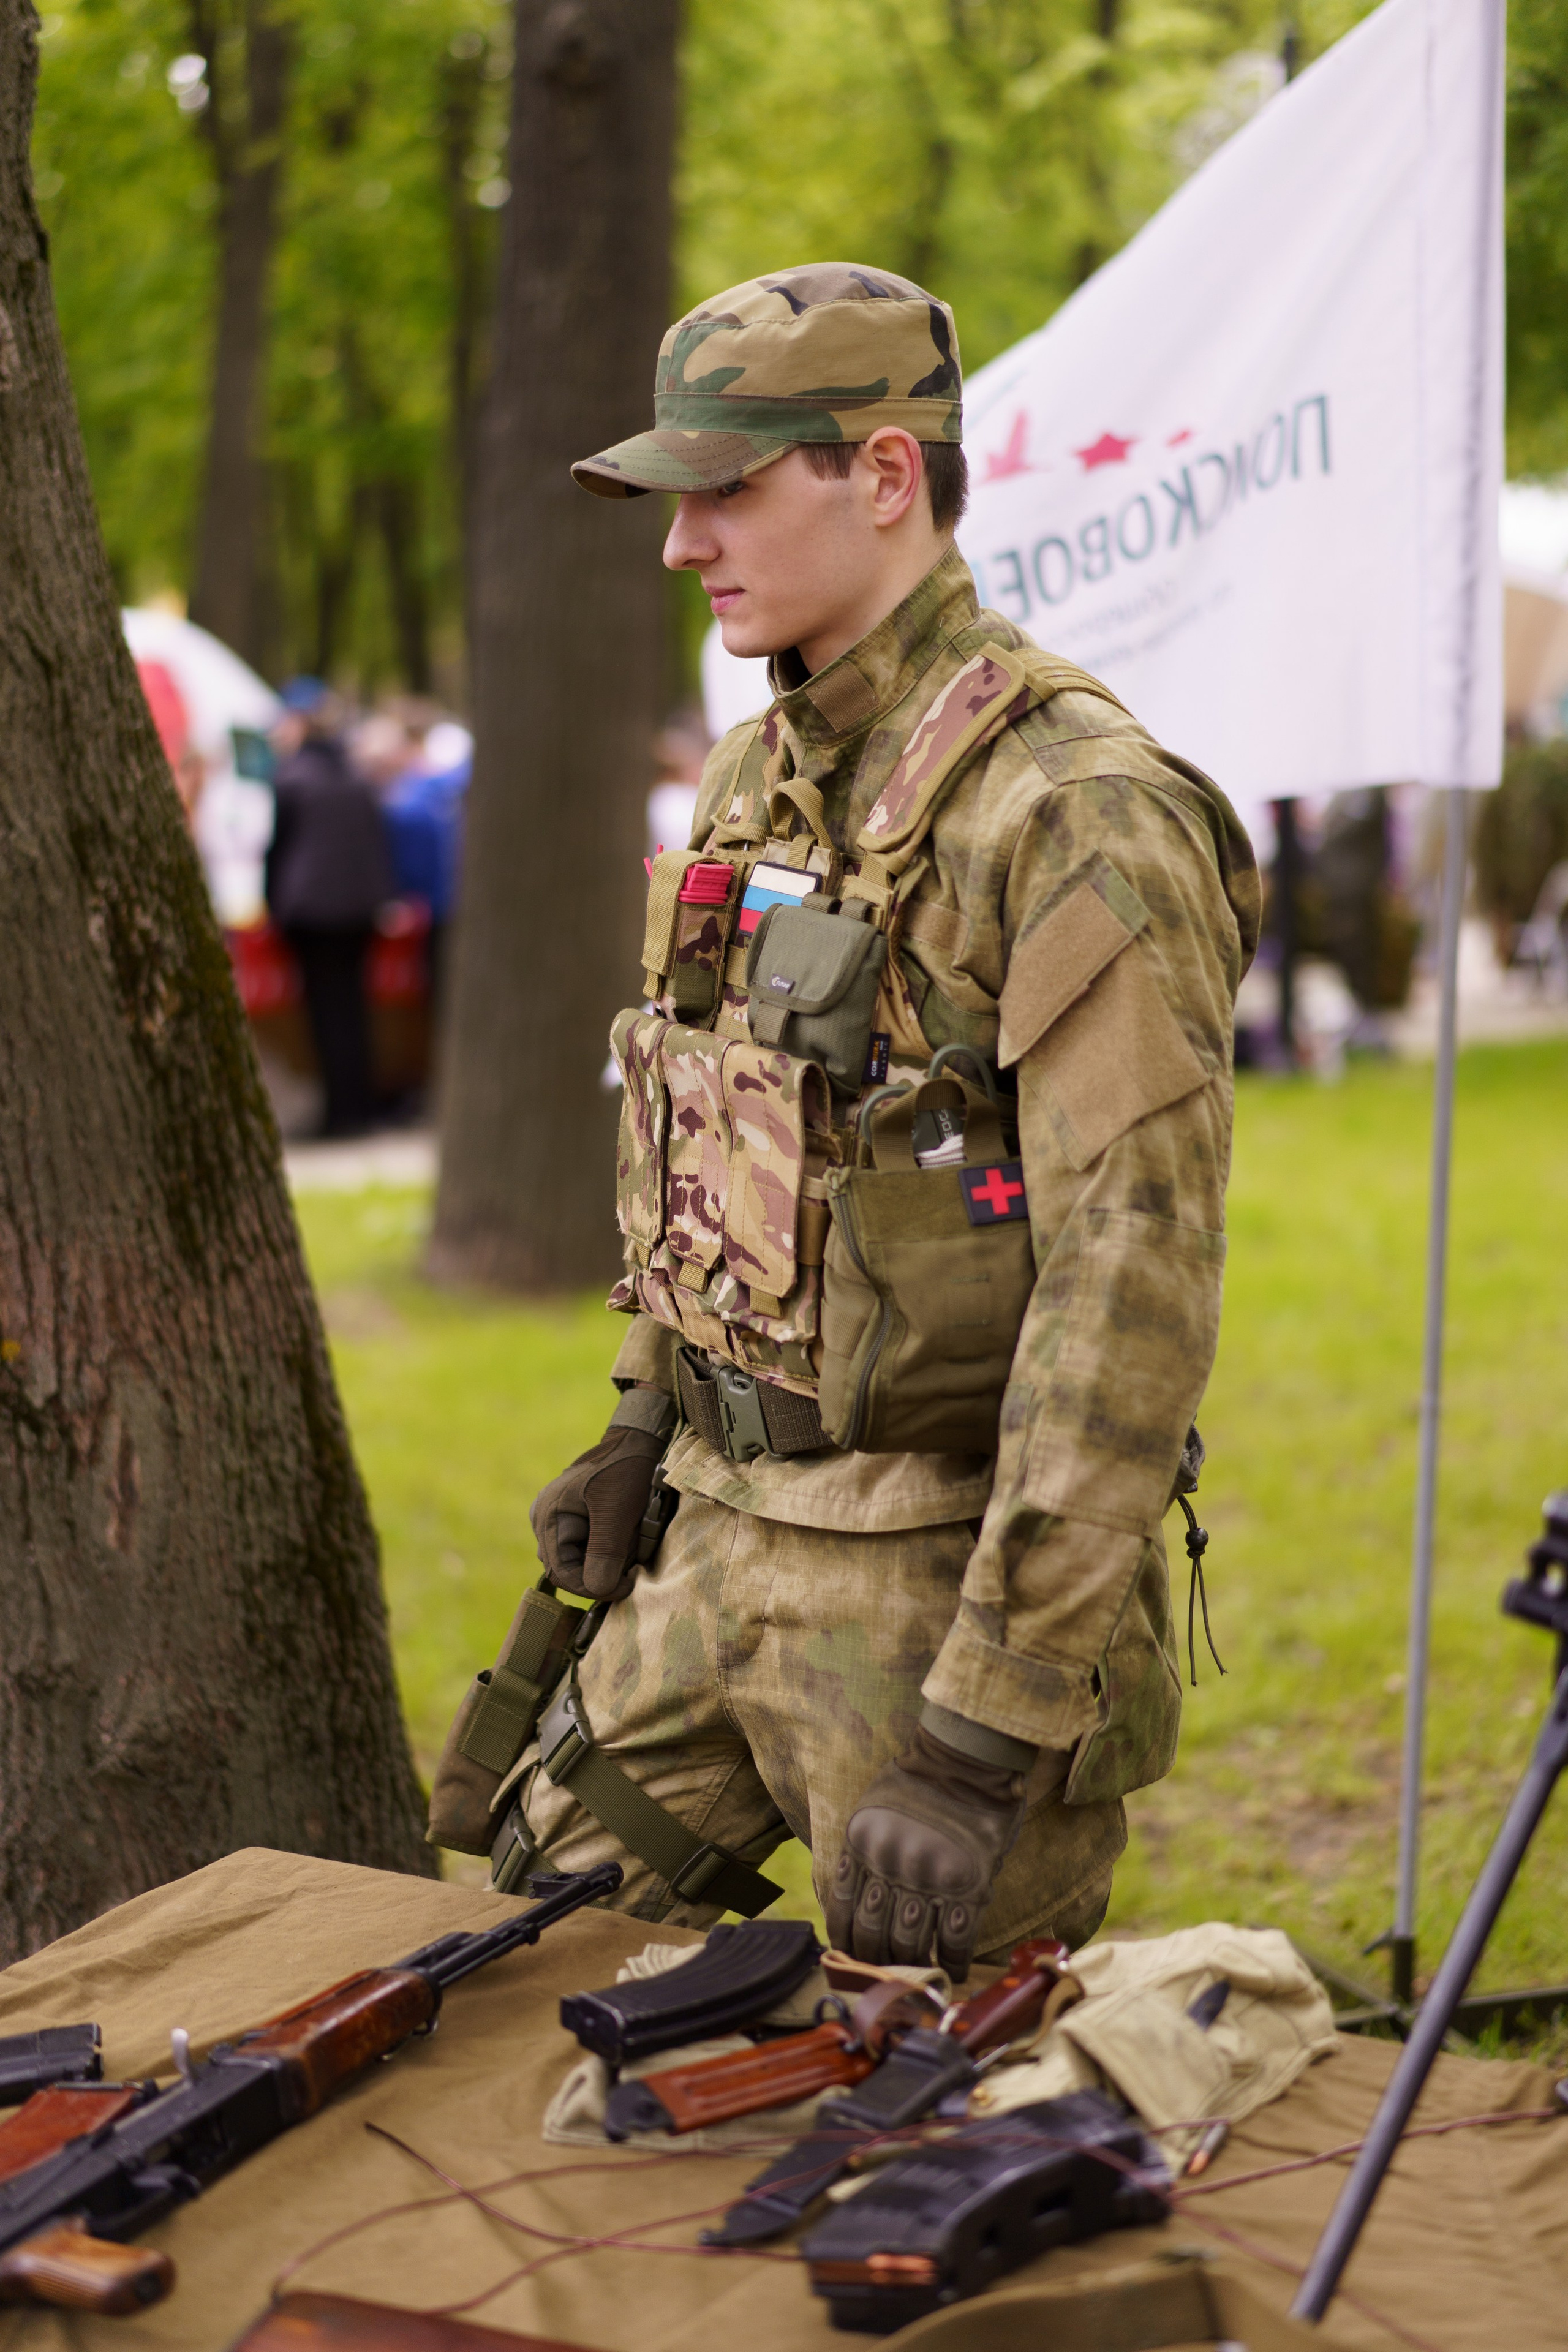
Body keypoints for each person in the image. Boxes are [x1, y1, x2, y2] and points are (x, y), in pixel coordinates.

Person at [466, 265, 1259, 1976]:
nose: (684, 545)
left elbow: (1131, 1290)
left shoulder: (1075, 812)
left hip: (929, 1590)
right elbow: (721, 1141)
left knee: (938, 2090)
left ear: (886, 476)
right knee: (506, 1969)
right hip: (716, 1548)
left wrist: (991, 1725)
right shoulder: (759, 779)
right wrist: (637, 1427)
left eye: (729, 488)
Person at [265, 678, 393, 1139]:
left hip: (312, 913)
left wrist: (273, 906)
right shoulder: (357, 777)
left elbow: (277, 851)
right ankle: (358, 1105)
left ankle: (339, 1111)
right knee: (354, 1008)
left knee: (325, 1010)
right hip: (359, 910)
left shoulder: (292, 778)